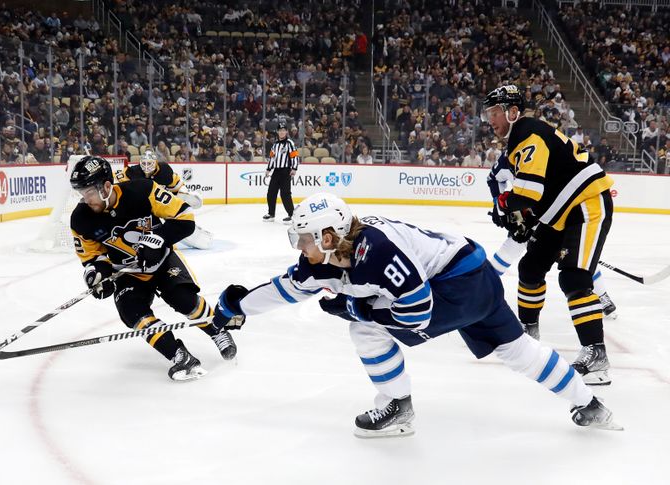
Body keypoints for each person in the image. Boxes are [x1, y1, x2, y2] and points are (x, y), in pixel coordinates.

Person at [209, 193, 620, 437]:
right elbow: (289, 288)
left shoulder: (377, 251)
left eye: (303, 238)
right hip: (472, 270)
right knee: (518, 350)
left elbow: (417, 314)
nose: (299, 246)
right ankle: (591, 405)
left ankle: (397, 408)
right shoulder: (331, 252)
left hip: (456, 287)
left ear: (329, 236)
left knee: (365, 330)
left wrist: (354, 306)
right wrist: (237, 306)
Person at [483, 85, 615, 385]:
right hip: (561, 211)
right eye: (488, 113)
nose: (490, 119)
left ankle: (596, 354)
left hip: (586, 204)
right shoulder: (518, 140)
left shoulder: (528, 133)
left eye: (494, 112)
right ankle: (526, 335)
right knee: (530, 268)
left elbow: (529, 192)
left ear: (512, 112)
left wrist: (508, 206)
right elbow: (538, 195)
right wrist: (524, 216)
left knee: (575, 278)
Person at [68, 156, 236, 381]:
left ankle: (217, 330)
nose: (85, 199)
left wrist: (157, 240)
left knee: (183, 299)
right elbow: (92, 257)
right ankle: (179, 355)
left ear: (106, 186)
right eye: (82, 193)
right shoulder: (80, 219)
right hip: (128, 273)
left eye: (88, 192)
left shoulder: (142, 190)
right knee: (132, 312)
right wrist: (98, 274)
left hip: (162, 261)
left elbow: (185, 218)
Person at [486, 150, 618, 326]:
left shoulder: (546, 154)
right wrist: (500, 208)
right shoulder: (506, 161)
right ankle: (481, 288)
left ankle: (602, 296)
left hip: (554, 214)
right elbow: (493, 179)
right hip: (527, 215)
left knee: (578, 259)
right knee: (510, 250)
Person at [115, 150, 213, 250]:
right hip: (142, 206)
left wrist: (185, 194)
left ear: (155, 162)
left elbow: (177, 186)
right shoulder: (132, 172)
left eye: (149, 163)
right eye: (144, 163)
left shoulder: (164, 172)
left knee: (178, 221)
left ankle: (196, 237)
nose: (146, 166)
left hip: (160, 204)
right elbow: (117, 183)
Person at [263, 123, 299, 223]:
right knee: (271, 193)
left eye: (284, 130)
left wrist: (294, 168)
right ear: (278, 132)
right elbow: (272, 158)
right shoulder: (275, 145)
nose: (282, 132)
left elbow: (294, 156)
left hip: (286, 171)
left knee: (285, 194)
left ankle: (291, 215)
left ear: (286, 131)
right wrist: (269, 169)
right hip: (276, 171)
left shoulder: (290, 143)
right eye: (280, 130)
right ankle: (271, 214)